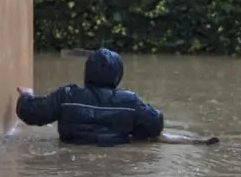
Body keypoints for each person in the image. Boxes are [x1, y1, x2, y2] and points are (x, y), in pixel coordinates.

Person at [15, 48, 164, 146]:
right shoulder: (130, 102)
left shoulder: (67, 96)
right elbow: (155, 124)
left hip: (71, 155)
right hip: (113, 157)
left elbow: (31, 112)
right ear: (118, 76)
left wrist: (26, 95)